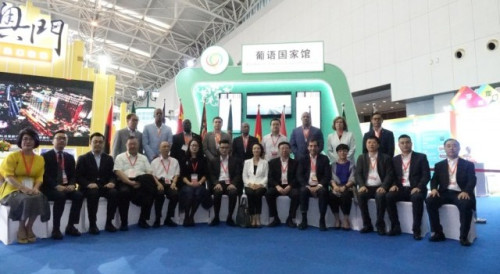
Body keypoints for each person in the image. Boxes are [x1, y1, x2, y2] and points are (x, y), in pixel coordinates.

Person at [0, 128, 49, 244]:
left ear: (35, 142)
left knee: (40, 197)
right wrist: (23, 188)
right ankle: (21, 227)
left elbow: (39, 177)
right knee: (26, 199)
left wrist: (36, 188)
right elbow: (8, 176)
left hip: (31, 189)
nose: (28, 141)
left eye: (31, 139)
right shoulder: (12, 157)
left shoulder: (40, 159)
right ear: (20, 141)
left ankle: (29, 226)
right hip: (12, 189)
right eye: (25, 139)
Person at [426, 138, 476, 246]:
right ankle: (438, 233)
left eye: (454, 145)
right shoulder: (439, 165)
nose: (451, 148)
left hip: (460, 193)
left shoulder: (468, 165)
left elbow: (472, 180)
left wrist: (466, 191)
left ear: (459, 148)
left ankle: (463, 236)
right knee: (430, 201)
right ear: (444, 149)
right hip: (444, 192)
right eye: (448, 146)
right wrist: (434, 189)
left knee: (466, 204)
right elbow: (434, 179)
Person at [41, 130, 83, 240]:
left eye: (64, 139)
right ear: (52, 141)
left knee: (78, 195)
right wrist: (55, 186)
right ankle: (56, 228)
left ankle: (71, 225)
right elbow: (44, 175)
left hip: (66, 186)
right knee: (61, 196)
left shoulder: (69, 157)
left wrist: (72, 184)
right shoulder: (44, 156)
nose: (61, 140)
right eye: (59, 138)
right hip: (50, 188)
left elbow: (74, 174)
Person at [386, 135, 430, 239]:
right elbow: (392, 175)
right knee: (388, 197)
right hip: (401, 189)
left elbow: (426, 175)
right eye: (402, 143)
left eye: (407, 142)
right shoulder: (395, 159)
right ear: (399, 145)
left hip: (416, 188)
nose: (405, 145)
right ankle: (395, 227)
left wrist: (419, 187)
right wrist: (393, 185)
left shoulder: (421, 157)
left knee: (417, 198)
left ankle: (416, 230)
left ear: (411, 143)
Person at [115, 136, 162, 230]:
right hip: (125, 181)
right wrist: (130, 182)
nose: (132, 146)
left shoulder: (143, 158)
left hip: (142, 182)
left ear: (138, 145)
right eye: (130, 144)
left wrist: (158, 183)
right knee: (124, 192)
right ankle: (124, 223)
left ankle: (143, 220)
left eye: (134, 144)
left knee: (150, 184)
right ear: (126, 145)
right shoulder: (120, 157)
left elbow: (149, 173)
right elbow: (118, 172)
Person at [76, 132, 119, 234]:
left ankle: (109, 222)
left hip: (103, 186)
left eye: (100, 142)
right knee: (93, 193)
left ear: (103, 144)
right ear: (90, 143)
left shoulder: (108, 158)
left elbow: (113, 175)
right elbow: (78, 177)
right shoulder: (83, 158)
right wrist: (88, 184)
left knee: (114, 193)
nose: (98, 144)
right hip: (88, 188)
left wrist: (112, 182)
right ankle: (92, 225)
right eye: (95, 142)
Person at [355, 136, 394, 235]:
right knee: (360, 195)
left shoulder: (385, 158)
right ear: (366, 145)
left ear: (378, 145)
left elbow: (390, 174)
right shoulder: (361, 157)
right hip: (367, 187)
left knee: (380, 196)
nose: (371, 144)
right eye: (369, 142)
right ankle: (367, 224)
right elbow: (358, 174)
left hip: (380, 186)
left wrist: (384, 187)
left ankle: (380, 225)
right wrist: (362, 185)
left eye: (373, 142)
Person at [297, 139, 331, 231]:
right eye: (311, 146)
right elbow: (299, 175)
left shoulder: (324, 159)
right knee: (303, 191)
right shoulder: (303, 159)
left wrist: (319, 185)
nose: (313, 148)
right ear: (308, 147)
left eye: (315, 146)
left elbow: (327, 175)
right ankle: (304, 220)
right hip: (307, 185)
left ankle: (322, 220)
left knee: (323, 192)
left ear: (318, 147)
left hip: (319, 185)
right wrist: (307, 186)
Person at [208, 139, 242, 226]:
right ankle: (216, 217)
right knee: (217, 192)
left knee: (233, 193)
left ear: (229, 149)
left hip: (230, 183)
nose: (224, 149)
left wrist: (233, 184)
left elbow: (238, 174)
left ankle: (230, 217)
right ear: (219, 148)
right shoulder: (213, 161)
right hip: (219, 183)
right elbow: (211, 175)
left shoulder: (235, 160)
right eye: (222, 147)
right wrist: (216, 183)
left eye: (226, 148)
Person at [265, 141, 299, 228]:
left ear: (290, 150)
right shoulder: (272, 162)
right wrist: (277, 186)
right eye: (282, 148)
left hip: (290, 186)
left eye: (286, 148)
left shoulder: (295, 163)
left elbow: (297, 177)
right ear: (279, 150)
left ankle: (290, 218)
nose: (284, 150)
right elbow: (270, 177)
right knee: (269, 193)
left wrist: (290, 186)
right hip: (278, 186)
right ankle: (275, 218)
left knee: (296, 194)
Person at [150, 141, 180, 227]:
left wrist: (174, 183)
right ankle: (157, 219)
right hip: (159, 182)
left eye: (167, 146)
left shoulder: (174, 161)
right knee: (159, 195)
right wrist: (158, 184)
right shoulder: (154, 162)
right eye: (164, 147)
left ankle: (168, 218)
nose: (166, 148)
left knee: (175, 195)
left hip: (170, 183)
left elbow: (177, 174)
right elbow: (153, 175)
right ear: (159, 149)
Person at [328, 144, 355, 230]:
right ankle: (337, 219)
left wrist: (345, 187)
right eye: (340, 151)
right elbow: (331, 177)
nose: (342, 153)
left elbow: (353, 178)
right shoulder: (333, 165)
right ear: (337, 153)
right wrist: (335, 186)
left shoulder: (351, 165)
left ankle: (346, 219)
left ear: (347, 152)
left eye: (344, 151)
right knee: (331, 196)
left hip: (347, 188)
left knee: (345, 196)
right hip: (336, 187)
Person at [242, 143, 268, 228]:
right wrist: (249, 184)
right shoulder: (247, 162)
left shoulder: (265, 162)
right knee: (250, 194)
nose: (256, 150)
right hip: (249, 184)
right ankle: (252, 217)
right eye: (254, 148)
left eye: (258, 148)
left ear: (261, 150)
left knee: (258, 194)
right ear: (252, 150)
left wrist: (260, 184)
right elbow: (244, 175)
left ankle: (257, 217)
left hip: (261, 185)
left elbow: (266, 176)